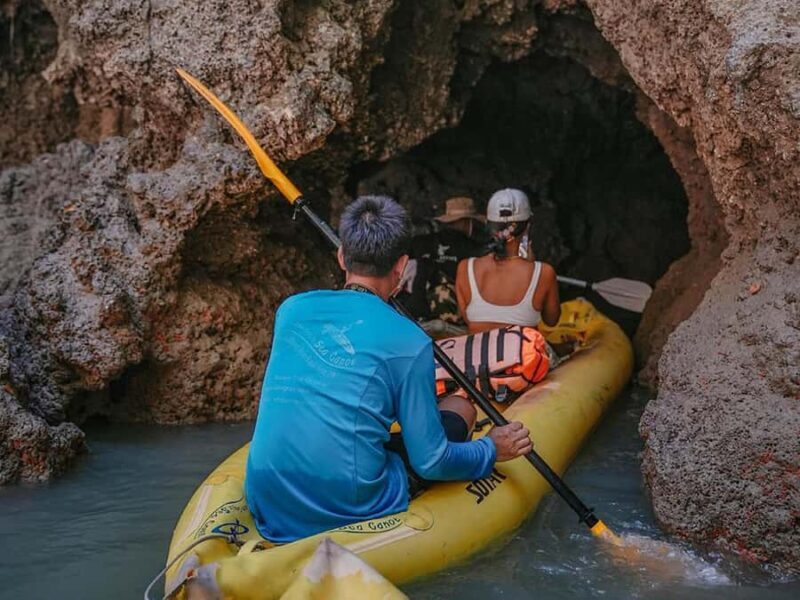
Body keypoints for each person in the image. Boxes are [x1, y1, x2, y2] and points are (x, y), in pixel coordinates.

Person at [245, 195, 533, 543]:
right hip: (349, 504)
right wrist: (490, 449)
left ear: (341, 256)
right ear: (401, 267)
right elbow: (431, 462)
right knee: (459, 407)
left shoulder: (290, 310)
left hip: (266, 497)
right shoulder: (411, 342)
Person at [455, 188, 561, 334]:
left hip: (478, 355)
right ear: (527, 226)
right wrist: (532, 266)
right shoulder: (543, 273)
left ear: (488, 224)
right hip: (522, 356)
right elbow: (551, 320)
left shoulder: (465, 268)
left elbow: (468, 319)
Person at [396, 197, 487, 327]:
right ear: (467, 222)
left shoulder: (419, 242)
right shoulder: (474, 248)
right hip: (452, 320)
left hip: (414, 313)